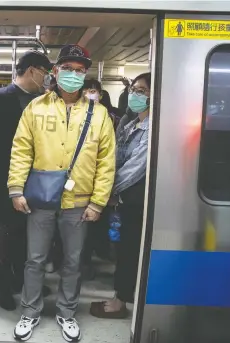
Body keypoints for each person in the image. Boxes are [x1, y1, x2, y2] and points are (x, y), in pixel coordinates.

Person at [9, 44, 116, 342]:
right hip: (40, 199)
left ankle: (66, 313)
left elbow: (107, 161)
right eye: (67, 69)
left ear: (86, 76)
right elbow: (20, 150)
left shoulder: (99, 114)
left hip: (79, 202)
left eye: (80, 71)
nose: (73, 75)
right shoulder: (36, 107)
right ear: (55, 72)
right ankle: (29, 312)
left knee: (73, 260)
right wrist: (16, 189)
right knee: (35, 259)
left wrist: (98, 202)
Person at [0, 50, 53, 312]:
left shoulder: (45, 102)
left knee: (27, 237)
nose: (47, 79)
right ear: (32, 70)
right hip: (0, 181)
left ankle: (24, 281)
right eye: (45, 72)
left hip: (37, 183)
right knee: (1, 237)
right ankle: (2, 286)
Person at [90, 72, 151, 319]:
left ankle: (120, 302)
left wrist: (109, 190)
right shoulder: (132, 122)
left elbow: (136, 167)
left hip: (137, 201)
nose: (135, 94)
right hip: (123, 198)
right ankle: (120, 296)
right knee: (124, 248)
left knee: (130, 251)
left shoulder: (154, 127)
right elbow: (114, 157)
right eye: (134, 89)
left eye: (143, 90)